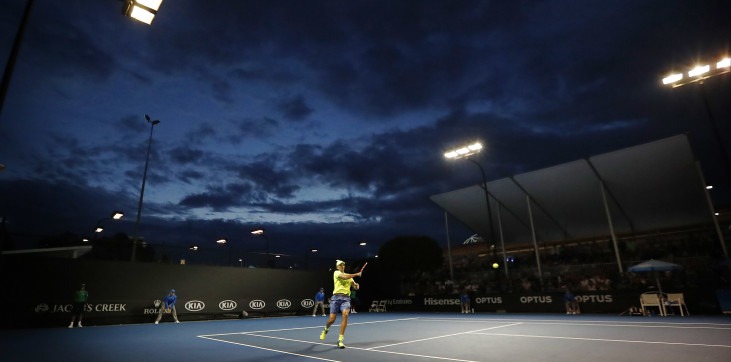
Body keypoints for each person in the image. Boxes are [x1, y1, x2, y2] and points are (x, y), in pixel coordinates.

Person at [319, 260, 361, 349]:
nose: (342, 266)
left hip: (346, 299)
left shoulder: (350, 277)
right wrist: (356, 274)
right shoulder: (336, 273)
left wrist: (356, 286)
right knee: (331, 320)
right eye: (340, 265)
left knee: (345, 314)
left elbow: (354, 286)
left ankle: (340, 340)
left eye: (343, 265)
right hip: (336, 298)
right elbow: (344, 277)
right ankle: (326, 329)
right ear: (337, 267)